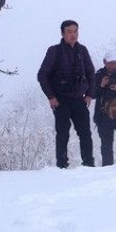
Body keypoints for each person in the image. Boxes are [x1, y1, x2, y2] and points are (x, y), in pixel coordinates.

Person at [36, 19, 96, 168]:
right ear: (62, 33)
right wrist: (51, 97)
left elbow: (91, 73)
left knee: (85, 134)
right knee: (62, 134)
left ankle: (89, 165)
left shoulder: (82, 51)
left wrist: (89, 94)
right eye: (69, 31)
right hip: (60, 99)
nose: (73, 34)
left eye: (75, 31)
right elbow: (42, 75)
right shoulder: (54, 51)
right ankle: (62, 166)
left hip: (79, 100)